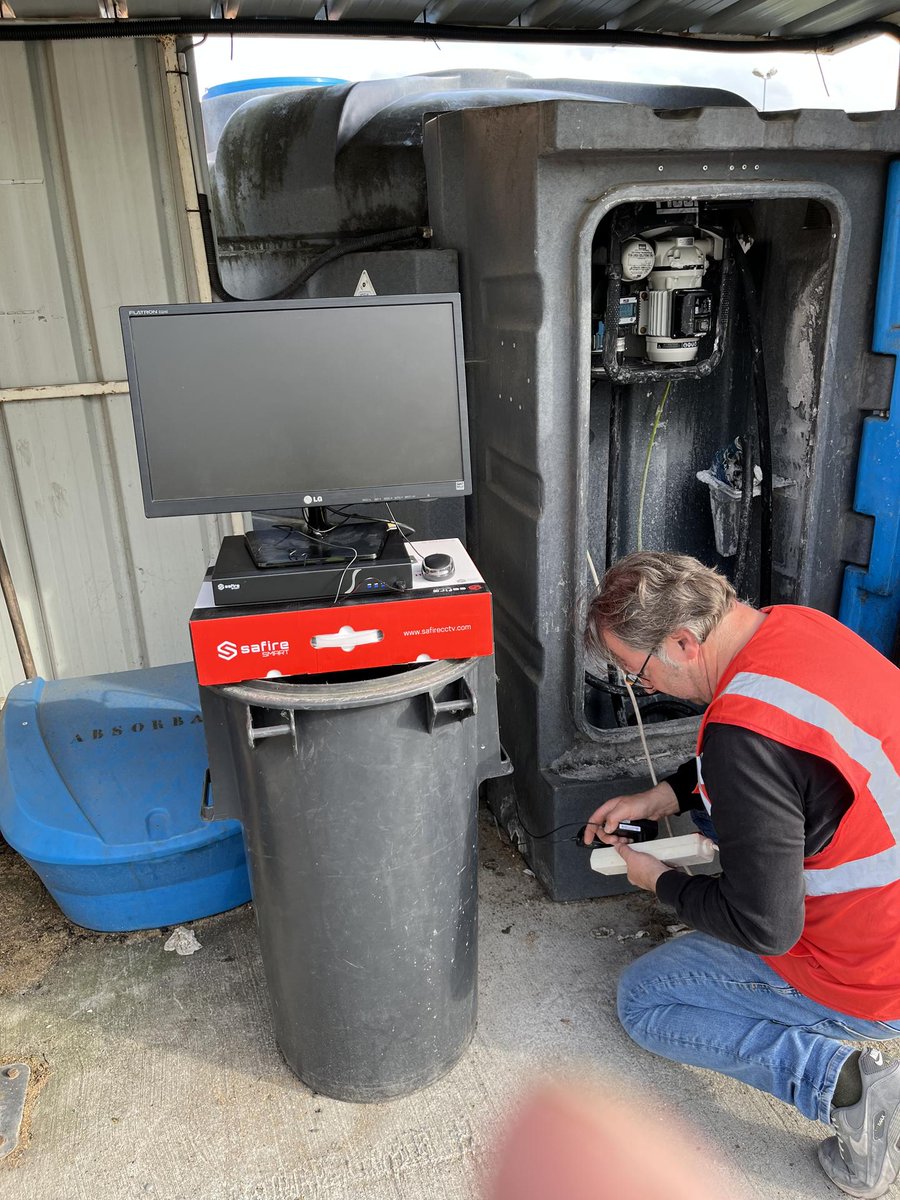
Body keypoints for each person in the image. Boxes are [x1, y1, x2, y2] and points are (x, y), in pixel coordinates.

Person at [582, 551, 900, 1200]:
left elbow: (766, 926)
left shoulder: (740, 738)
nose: (641, 689)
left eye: (636, 672)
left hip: (878, 978)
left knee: (646, 1001)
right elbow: (797, 776)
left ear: (682, 642)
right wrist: (668, 796)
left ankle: (849, 1087)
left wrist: (658, 881)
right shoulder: (796, 626)